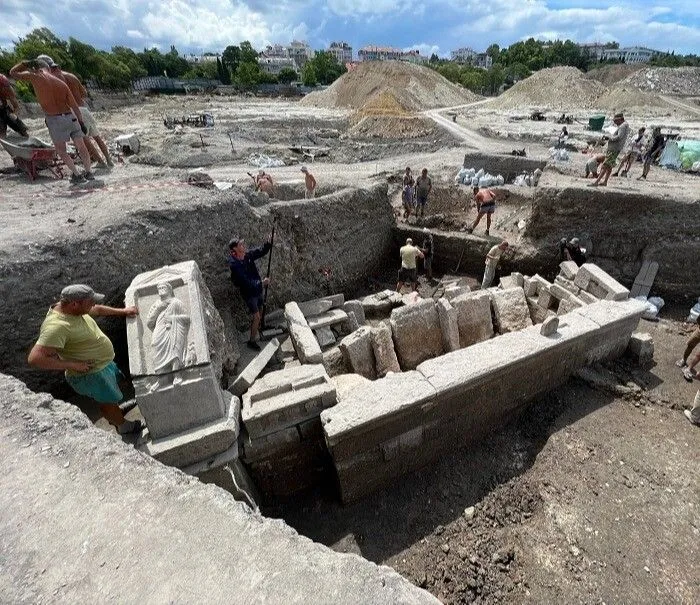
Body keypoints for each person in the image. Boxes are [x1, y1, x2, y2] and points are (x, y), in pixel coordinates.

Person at [27, 284, 141, 435]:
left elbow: (98, 309)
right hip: (92, 374)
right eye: (90, 302)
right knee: (106, 402)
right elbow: (35, 358)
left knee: (111, 396)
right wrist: (72, 365)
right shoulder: (57, 327)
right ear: (75, 304)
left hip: (103, 365)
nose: (93, 304)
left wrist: (124, 311)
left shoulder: (74, 310)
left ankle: (116, 411)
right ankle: (122, 426)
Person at [9, 58, 93, 183]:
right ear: (48, 68)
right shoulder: (61, 83)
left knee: (61, 151)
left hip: (54, 119)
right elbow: (74, 106)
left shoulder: (35, 76)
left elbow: (12, 73)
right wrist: (81, 122)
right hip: (71, 117)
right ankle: (89, 172)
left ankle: (77, 175)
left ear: (37, 68)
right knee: (81, 146)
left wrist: (25, 63)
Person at [39, 54, 114, 168]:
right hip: (84, 108)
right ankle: (108, 160)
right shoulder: (71, 76)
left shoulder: (52, 79)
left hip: (73, 110)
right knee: (96, 136)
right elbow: (83, 93)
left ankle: (100, 162)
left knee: (84, 140)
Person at [228, 235, 272, 350]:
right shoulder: (235, 265)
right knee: (256, 316)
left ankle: (262, 327)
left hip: (257, 289)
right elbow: (245, 282)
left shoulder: (246, 255)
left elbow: (260, 252)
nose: (243, 246)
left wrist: (268, 242)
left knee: (261, 307)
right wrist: (261, 283)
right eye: (241, 245)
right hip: (249, 293)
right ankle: (252, 341)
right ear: (235, 249)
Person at [146, 282, 191, 384]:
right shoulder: (156, 305)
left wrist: (173, 318)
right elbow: (149, 323)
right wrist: (158, 309)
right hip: (159, 331)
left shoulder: (176, 302)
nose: (161, 289)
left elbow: (187, 318)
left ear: (169, 289)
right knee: (155, 350)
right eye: (159, 288)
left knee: (174, 350)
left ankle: (177, 375)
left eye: (163, 287)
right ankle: (161, 379)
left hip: (174, 330)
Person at [589, 112, 629, 187]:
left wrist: (609, 138)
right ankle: (605, 182)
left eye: (616, 121)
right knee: (609, 166)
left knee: (605, 165)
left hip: (614, 148)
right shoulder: (624, 126)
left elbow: (619, 137)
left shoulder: (623, 126)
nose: (615, 123)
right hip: (615, 148)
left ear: (620, 119)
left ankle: (596, 182)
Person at [0, 73, 29, 138]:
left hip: (4, 107)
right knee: (1, 128)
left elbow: (15, 104)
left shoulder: (7, 87)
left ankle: (26, 136)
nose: (5, 89)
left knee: (18, 124)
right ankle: (2, 139)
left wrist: (14, 114)